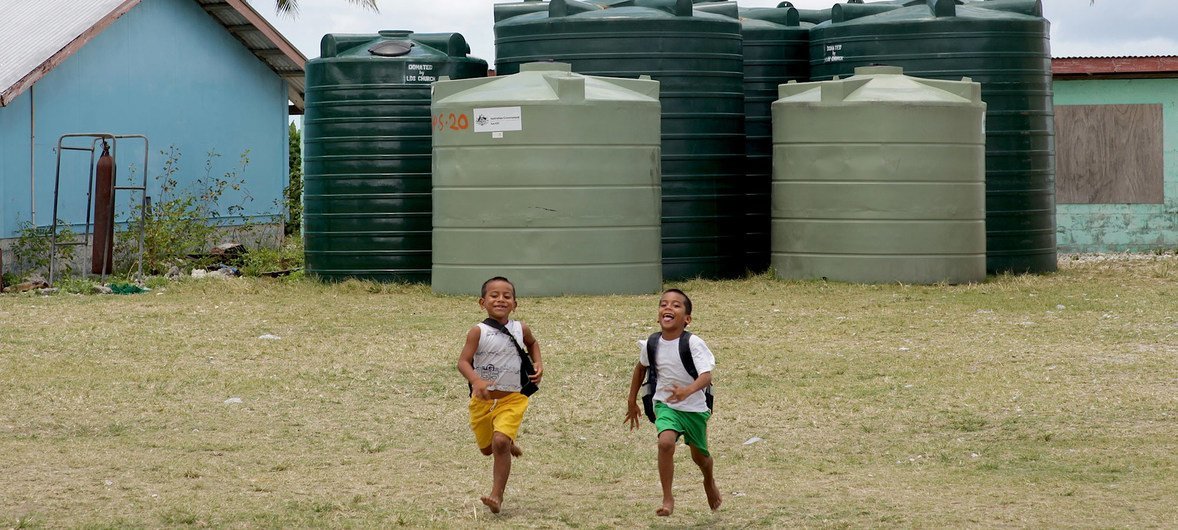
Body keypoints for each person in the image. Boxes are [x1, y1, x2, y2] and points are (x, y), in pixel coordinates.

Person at [625, 288, 721, 516]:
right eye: (663, 304)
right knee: (665, 443)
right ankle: (668, 498)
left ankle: (708, 480)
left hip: (694, 408)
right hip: (666, 404)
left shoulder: (694, 343)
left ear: (687, 319)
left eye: (676, 305)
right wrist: (631, 401)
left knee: (700, 457)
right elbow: (641, 369)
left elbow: (706, 376)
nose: (668, 307)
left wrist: (688, 391)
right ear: (658, 314)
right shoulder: (652, 343)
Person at [457, 276, 544, 514]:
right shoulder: (478, 331)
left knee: (499, 443)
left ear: (515, 303)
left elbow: (532, 343)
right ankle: (507, 442)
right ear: (482, 302)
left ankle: (497, 495)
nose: (501, 300)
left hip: (512, 398)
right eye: (494, 295)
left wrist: (538, 363)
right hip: (482, 401)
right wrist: (475, 380)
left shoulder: (520, 328)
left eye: (507, 296)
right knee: (487, 449)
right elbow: (463, 362)